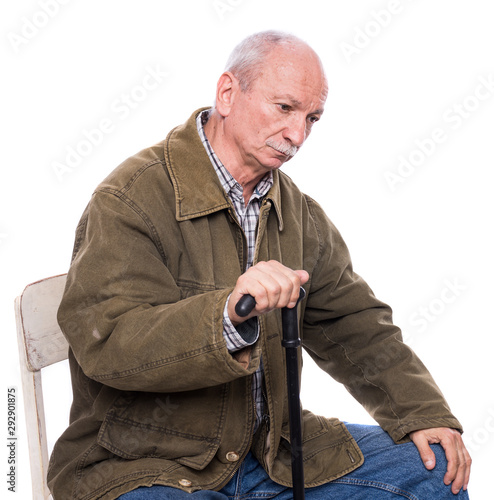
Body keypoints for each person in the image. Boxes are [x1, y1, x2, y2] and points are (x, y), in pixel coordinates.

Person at [48, 31, 471, 499]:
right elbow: (108, 343)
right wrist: (227, 313)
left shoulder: (297, 212)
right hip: (146, 463)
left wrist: (423, 412)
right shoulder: (131, 198)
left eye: (312, 118)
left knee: (434, 472)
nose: (298, 135)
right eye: (285, 108)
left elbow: (355, 325)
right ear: (228, 93)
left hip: (270, 453)